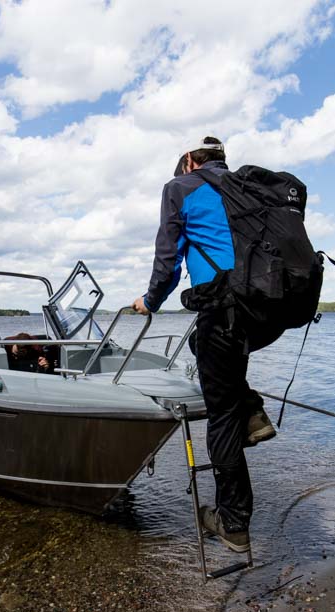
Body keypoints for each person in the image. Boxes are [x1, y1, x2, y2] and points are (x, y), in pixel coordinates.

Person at [131, 137, 280, 553]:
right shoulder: (246, 188)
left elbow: (168, 258)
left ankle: (232, 522)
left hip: (226, 306)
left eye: (184, 165)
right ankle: (252, 411)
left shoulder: (181, 187)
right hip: (268, 309)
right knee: (203, 345)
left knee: (220, 415)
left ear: (191, 161)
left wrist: (151, 301)